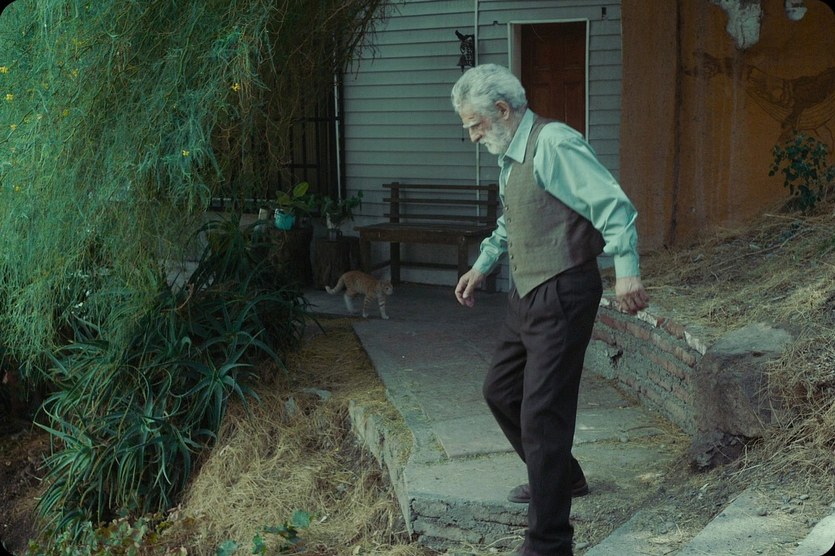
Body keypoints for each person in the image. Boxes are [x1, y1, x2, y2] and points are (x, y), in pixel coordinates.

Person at [451, 64, 650, 556]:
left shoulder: (555, 143)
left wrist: (626, 271)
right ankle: (563, 477)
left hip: (563, 290)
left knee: (543, 414)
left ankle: (549, 543)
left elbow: (614, 207)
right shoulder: (510, 155)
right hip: (527, 293)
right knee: (500, 390)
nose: (472, 136)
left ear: (502, 110)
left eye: (475, 124)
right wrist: (483, 265)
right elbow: (513, 218)